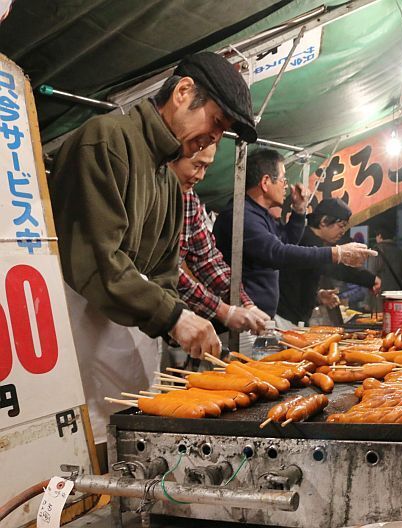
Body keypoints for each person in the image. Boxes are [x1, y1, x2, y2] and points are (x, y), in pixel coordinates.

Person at [49, 51, 258, 445]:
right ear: (183, 91)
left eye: (221, 132)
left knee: (125, 447)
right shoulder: (108, 140)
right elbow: (98, 258)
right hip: (80, 337)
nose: (214, 138)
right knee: (84, 454)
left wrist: (179, 321)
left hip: (131, 344)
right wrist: (175, 317)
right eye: (216, 122)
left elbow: (165, 272)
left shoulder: (168, 181)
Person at [213, 149, 375, 327]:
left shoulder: (260, 215)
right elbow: (277, 253)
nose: (285, 186)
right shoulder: (241, 215)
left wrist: (298, 211)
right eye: (283, 179)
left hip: (258, 318)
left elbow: (286, 241)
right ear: (266, 182)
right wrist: (337, 253)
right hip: (239, 320)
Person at [171, 143, 270, 336]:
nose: (201, 176)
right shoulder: (142, 187)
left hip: (154, 319)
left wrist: (244, 302)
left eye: (206, 167)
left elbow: (206, 259)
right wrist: (222, 310)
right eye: (197, 165)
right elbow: (164, 268)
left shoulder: (188, 198)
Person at [277, 198, 381, 326]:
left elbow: (299, 281)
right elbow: (334, 267)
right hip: (283, 317)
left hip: (294, 316)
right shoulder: (305, 239)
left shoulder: (315, 240)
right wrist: (369, 279)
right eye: (341, 225)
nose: (343, 232)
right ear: (323, 221)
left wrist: (317, 297)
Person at [369, 225, 402, 309]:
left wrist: (367, 300)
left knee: (381, 320)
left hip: (380, 298)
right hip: (398, 298)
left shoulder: (376, 252)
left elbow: (371, 275)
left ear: (380, 236)